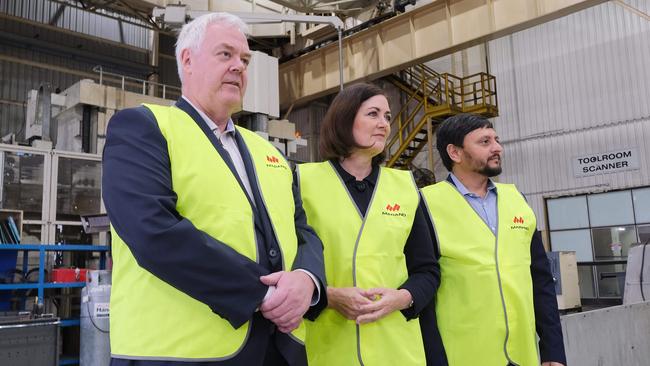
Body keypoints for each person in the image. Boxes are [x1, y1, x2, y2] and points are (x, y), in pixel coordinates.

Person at [102, 12, 326, 366]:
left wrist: (307, 279)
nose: (239, 66)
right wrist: (262, 293)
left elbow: (303, 230)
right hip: (178, 354)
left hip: (279, 349)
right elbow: (153, 233)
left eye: (245, 60)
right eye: (226, 55)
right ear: (187, 60)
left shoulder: (269, 153)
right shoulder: (144, 128)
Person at [297, 83, 444, 366]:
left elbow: (427, 271)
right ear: (344, 119)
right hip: (326, 348)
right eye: (373, 114)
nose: (384, 124)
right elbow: (288, 265)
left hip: (397, 350)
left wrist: (401, 298)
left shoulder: (405, 188)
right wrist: (329, 296)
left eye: (387, 117)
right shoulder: (303, 182)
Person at [420, 113, 566, 366]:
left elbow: (540, 280)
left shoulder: (516, 199)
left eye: (496, 140)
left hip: (523, 355)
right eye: (484, 142)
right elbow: (425, 289)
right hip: (462, 356)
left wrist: (553, 349)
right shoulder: (426, 204)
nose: (498, 147)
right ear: (454, 152)